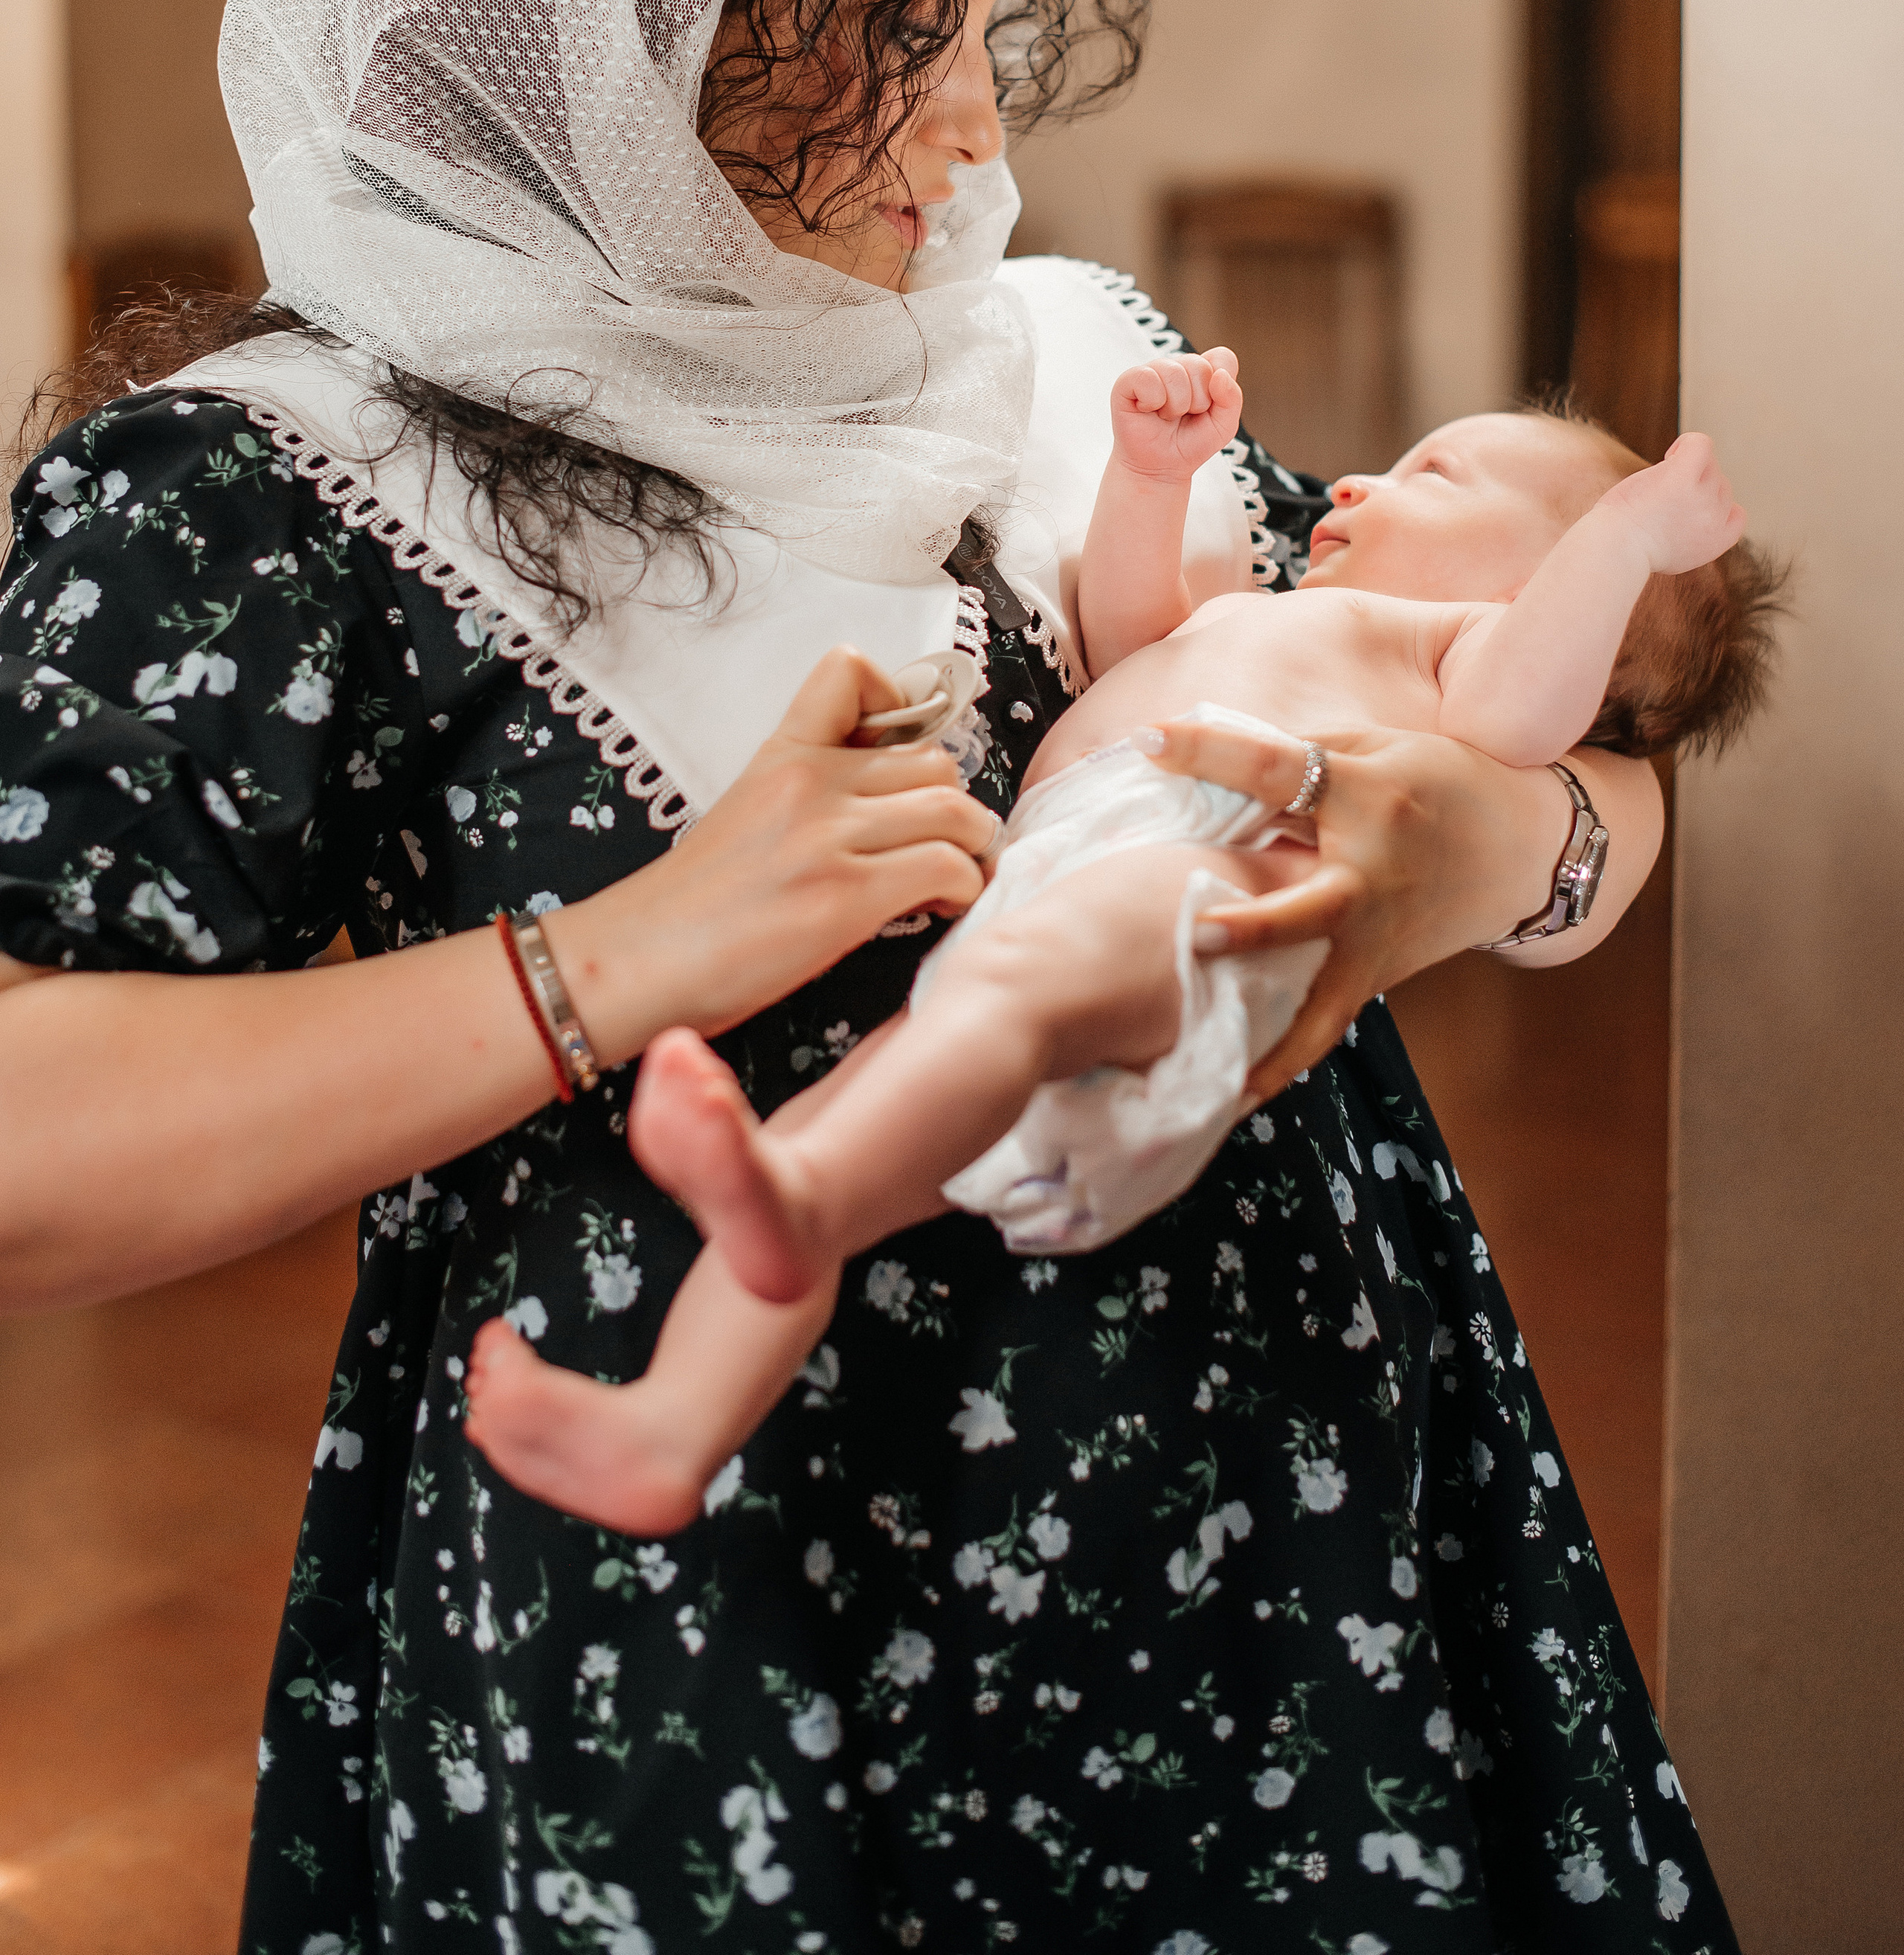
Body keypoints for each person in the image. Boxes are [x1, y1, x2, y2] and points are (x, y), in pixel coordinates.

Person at [0, 0, 1740, 1953]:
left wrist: (1491, 850)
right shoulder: (268, 487)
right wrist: (617, 963)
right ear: (630, 35)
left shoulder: (1064, 362)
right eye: (886, 36)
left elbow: (1609, 745)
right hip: (727, 1605)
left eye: (987, 9)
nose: (974, 118)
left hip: (1295, 1543)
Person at [461, 369, 1775, 1541]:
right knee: (865, 1112)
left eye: (1436, 472)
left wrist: (1623, 539)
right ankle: (674, 1423)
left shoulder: (1452, 655)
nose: (1368, 476)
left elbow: (1524, 707)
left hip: (1193, 898)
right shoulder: (1269, 617)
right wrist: (1154, 479)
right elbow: (1130, 640)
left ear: (1547, 597)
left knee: (991, 1016)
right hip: (1073, 895)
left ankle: (791, 1207)